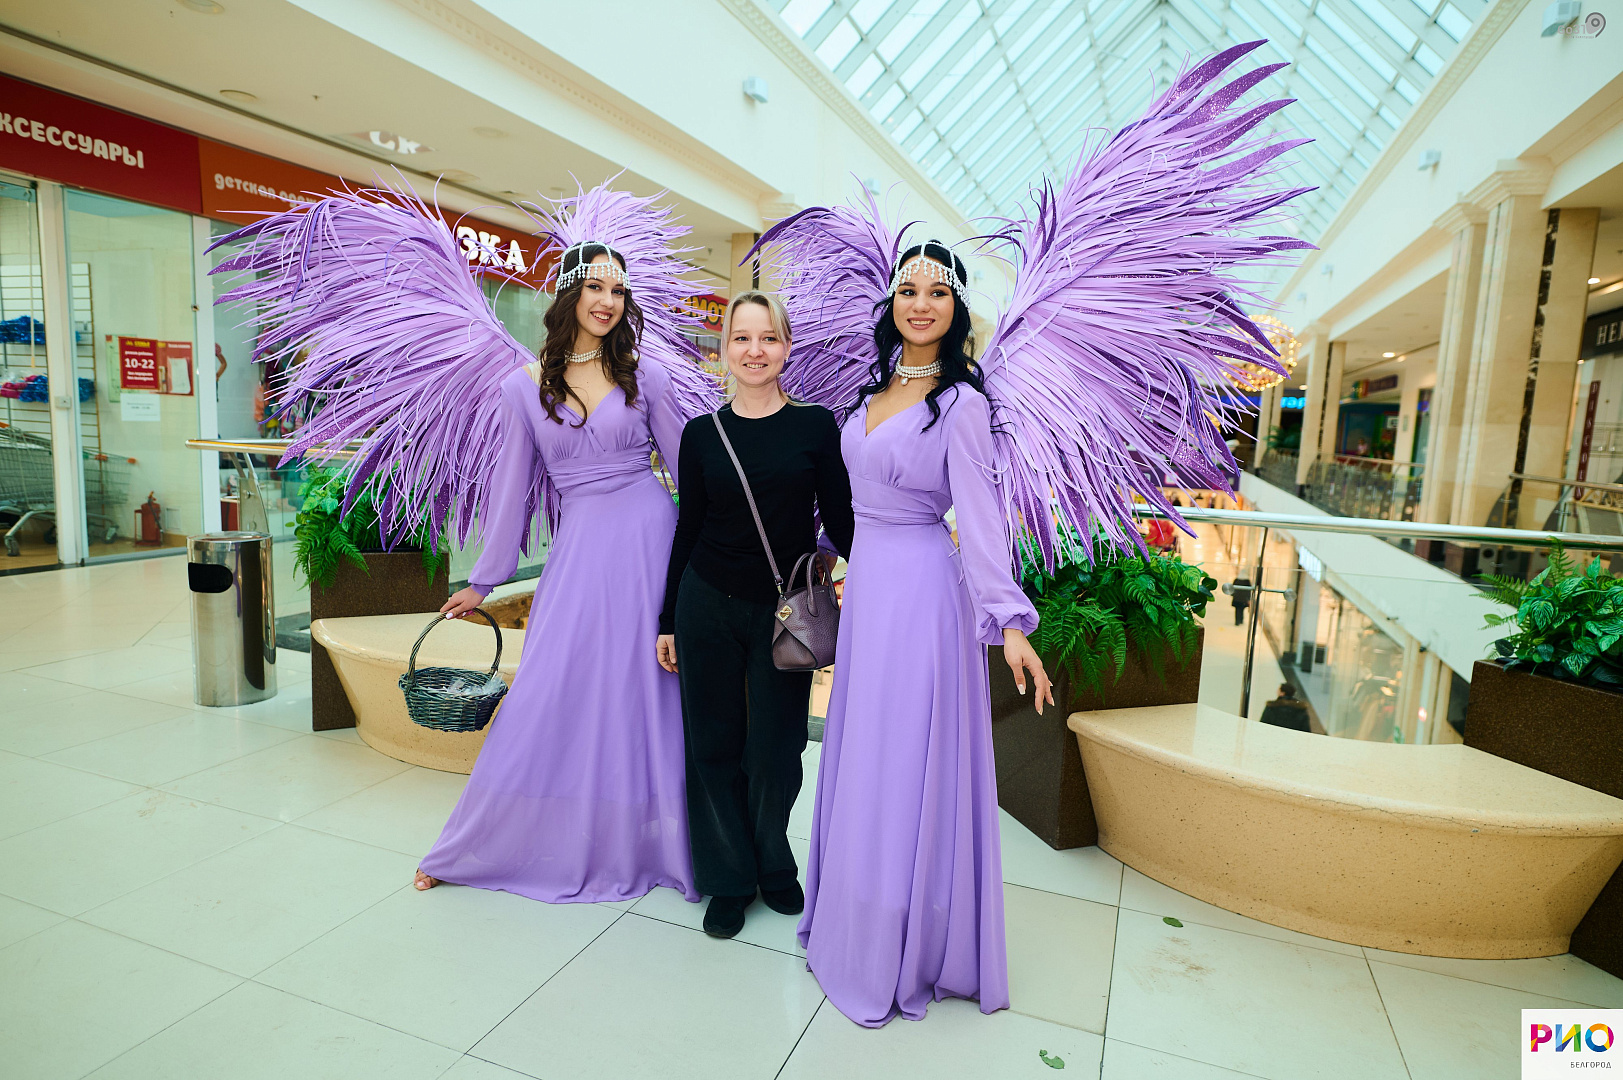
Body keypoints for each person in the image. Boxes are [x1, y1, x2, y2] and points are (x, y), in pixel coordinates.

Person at [796, 243, 1053, 1027]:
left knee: (903, 757)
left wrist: (1009, 622)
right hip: (869, 586)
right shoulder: (871, 390)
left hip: (920, 595)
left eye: (937, 292)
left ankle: (905, 942)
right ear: (891, 304)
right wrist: (827, 553)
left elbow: (980, 517)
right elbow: (855, 497)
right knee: (866, 751)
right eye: (907, 289)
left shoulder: (962, 404)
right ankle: (858, 915)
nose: (920, 302)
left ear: (955, 309)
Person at [415, 242, 699, 903]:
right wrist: (484, 580)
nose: (607, 301)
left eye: (618, 291)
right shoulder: (523, 386)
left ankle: (658, 844)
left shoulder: (646, 376)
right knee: (547, 689)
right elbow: (511, 489)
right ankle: (472, 845)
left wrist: (724, 550)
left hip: (651, 542)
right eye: (595, 287)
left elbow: (692, 473)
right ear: (569, 293)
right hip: (581, 551)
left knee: (649, 691)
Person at [656, 291, 855, 939]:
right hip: (705, 601)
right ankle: (729, 878)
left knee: (777, 746)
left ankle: (773, 860)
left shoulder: (816, 427)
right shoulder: (701, 434)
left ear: (787, 348)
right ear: (723, 351)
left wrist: (884, 569)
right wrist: (666, 619)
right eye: (741, 338)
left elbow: (844, 520)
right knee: (711, 744)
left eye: (768, 337)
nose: (754, 350)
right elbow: (687, 527)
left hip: (784, 610)